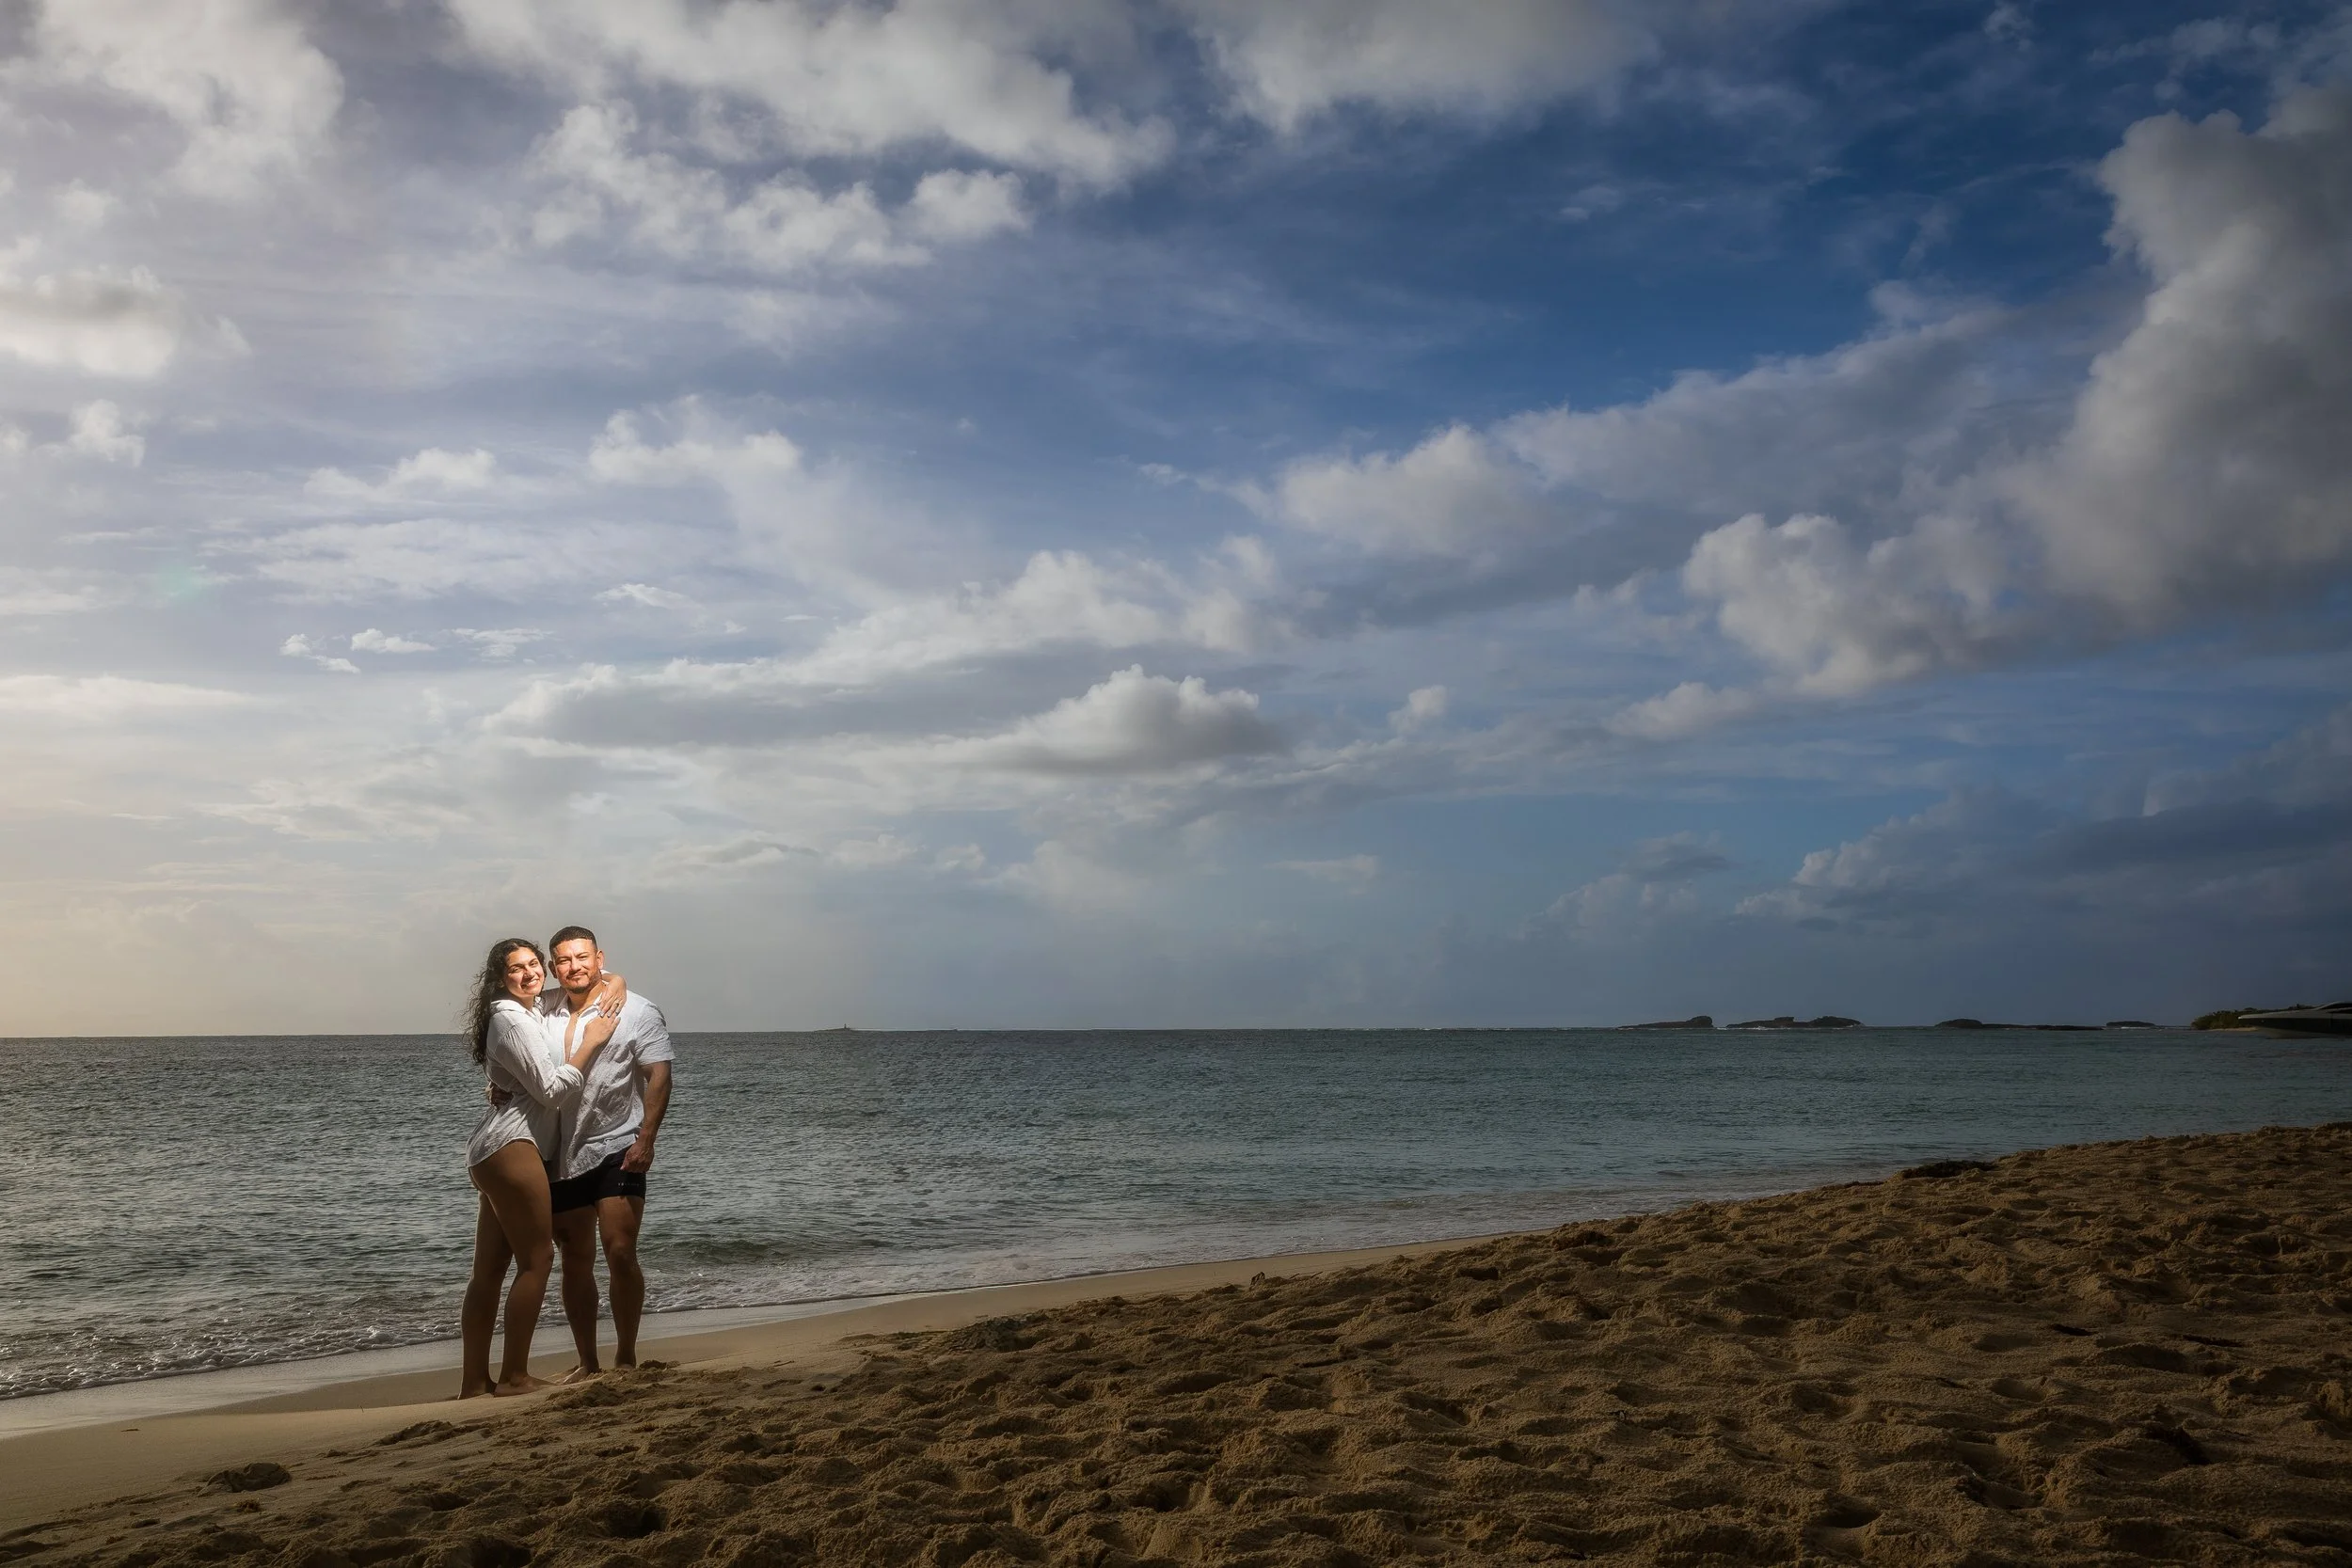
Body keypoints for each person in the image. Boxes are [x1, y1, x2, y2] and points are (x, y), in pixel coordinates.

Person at [457, 937, 627, 1398]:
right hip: (512, 1148)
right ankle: (514, 1376)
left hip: (497, 1148)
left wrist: (618, 979)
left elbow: (604, 980)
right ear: (500, 977)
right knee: (538, 1260)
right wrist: (589, 1045)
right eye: (517, 968)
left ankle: (474, 1382)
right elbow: (552, 1090)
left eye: (535, 964)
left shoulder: (530, 1011)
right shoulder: (512, 1019)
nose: (530, 973)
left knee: (489, 1272)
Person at [542, 926, 675, 1377]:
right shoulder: (543, 1011)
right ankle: (587, 1363)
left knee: (620, 1250)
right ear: (553, 966)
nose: (574, 967)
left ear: (600, 958)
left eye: (582, 957)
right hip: (561, 1154)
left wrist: (647, 1139)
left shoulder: (636, 1009)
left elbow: (659, 1073)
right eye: (564, 960)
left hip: (620, 1145)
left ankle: (626, 1356)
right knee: (575, 1259)